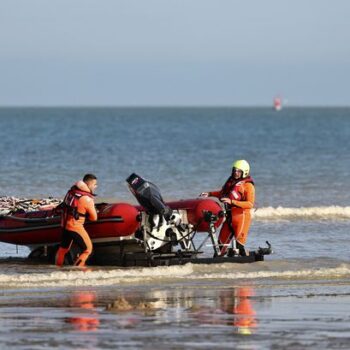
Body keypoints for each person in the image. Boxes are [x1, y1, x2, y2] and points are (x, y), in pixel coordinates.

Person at [201, 160, 255, 256]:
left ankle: (244, 262)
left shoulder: (248, 186)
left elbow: (250, 204)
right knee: (220, 246)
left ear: (244, 172)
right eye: (234, 170)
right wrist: (209, 193)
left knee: (239, 247)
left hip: (241, 217)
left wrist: (232, 202)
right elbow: (222, 194)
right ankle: (220, 263)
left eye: (238, 171)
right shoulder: (231, 182)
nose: (235, 173)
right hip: (229, 217)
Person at [55, 174, 98, 267]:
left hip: (65, 225)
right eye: (95, 184)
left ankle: (58, 268)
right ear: (89, 184)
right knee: (88, 250)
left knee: (63, 249)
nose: (96, 187)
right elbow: (94, 218)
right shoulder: (87, 199)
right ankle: (77, 269)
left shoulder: (72, 192)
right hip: (76, 227)